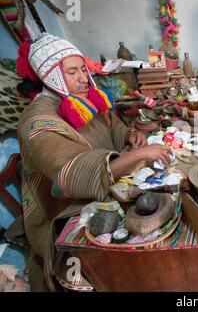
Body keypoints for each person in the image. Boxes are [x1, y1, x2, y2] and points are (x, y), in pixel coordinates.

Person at [9, 34, 172, 291]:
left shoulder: (82, 100)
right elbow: (68, 175)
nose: (84, 78)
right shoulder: (37, 122)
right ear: (51, 77)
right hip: (65, 207)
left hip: (108, 181)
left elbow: (112, 125)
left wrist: (130, 135)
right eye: (72, 72)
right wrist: (138, 155)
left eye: (84, 69)